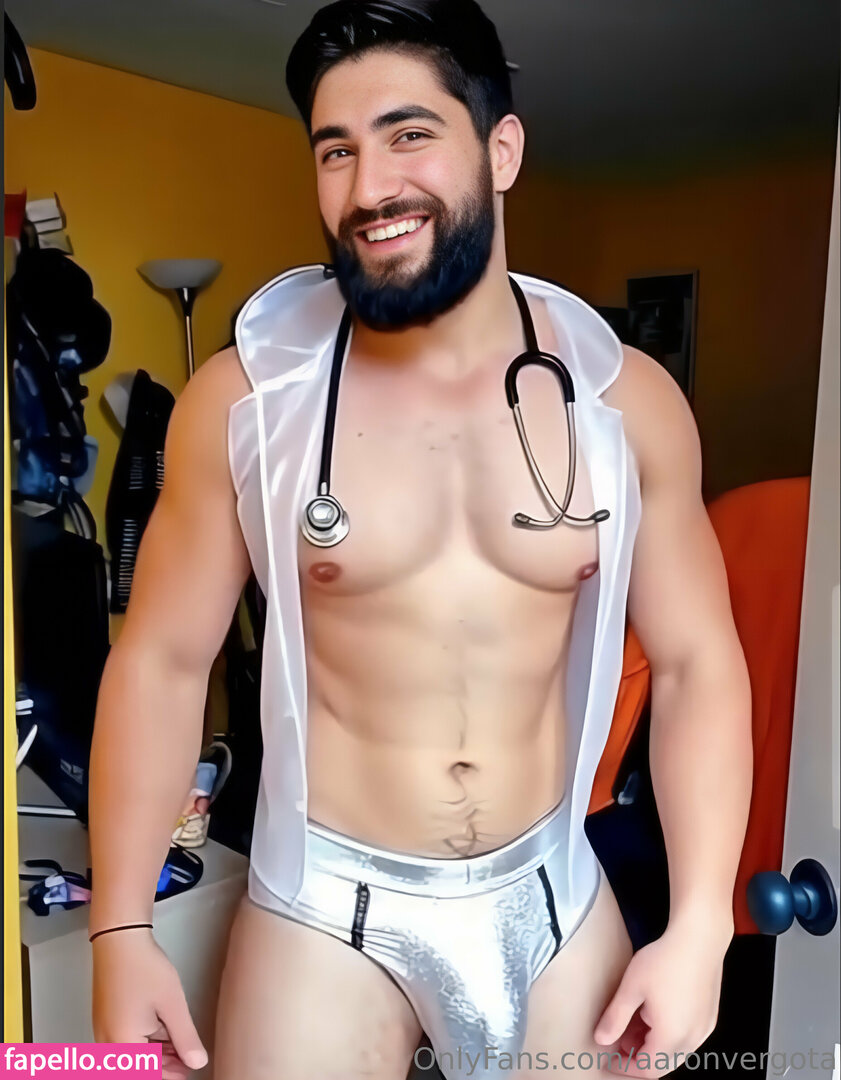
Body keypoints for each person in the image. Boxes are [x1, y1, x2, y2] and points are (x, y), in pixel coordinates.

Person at [88, 2, 753, 1078]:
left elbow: (695, 664)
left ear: (501, 150)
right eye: (335, 151)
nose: (368, 188)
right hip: (323, 915)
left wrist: (703, 924)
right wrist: (120, 928)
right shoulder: (246, 401)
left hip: (549, 900)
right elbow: (163, 661)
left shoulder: (623, 403)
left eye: (408, 135)